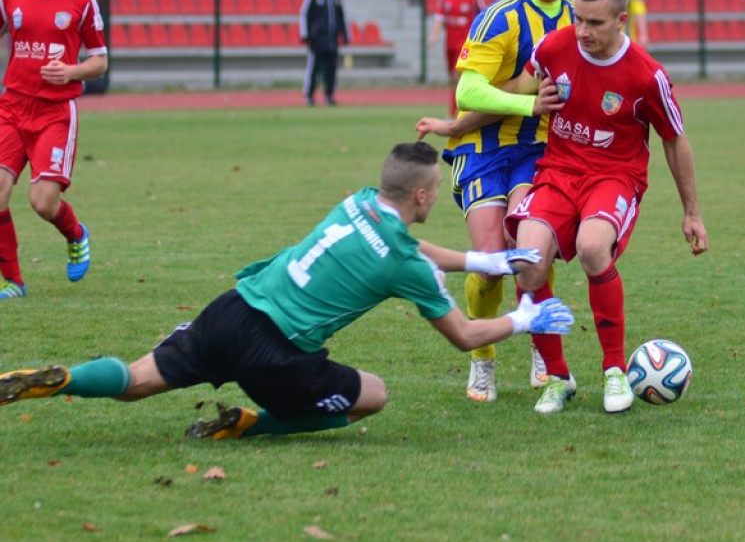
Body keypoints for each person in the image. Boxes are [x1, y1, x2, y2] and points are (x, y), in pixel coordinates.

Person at [0, 142, 575, 439]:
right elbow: (466, 334)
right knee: (371, 395)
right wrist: (528, 317)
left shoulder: (356, 202)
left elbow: (406, 248)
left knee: (132, 382)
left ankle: (61, 379)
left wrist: (484, 258)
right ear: (423, 198)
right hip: (273, 351)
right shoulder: (402, 260)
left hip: (232, 308)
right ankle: (254, 424)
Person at [498, 0, 708, 414]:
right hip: (558, 171)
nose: (582, 31)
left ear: (620, 21)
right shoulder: (554, 47)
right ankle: (557, 378)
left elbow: (674, 139)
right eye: (578, 18)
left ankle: (615, 371)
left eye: (594, 23)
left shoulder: (645, 75)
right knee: (527, 262)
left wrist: (692, 212)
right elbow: (522, 87)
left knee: (594, 248)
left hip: (614, 177)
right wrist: (469, 109)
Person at [415, 0, 575, 403]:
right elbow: (467, 90)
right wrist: (528, 104)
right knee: (488, 263)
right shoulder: (499, 17)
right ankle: (482, 359)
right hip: (484, 149)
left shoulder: (577, 20)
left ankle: (540, 342)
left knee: (529, 247)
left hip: (540, 150)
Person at [0, 0, 108, 300]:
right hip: (12, 106)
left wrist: (72, 71)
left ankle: (75, 234)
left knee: (42, 203)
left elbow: (100, 61)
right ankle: (13, 281)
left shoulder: (83, 4)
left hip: (54, 112)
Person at [428, 0, 486, 117]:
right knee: (453, 79)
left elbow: (485, 18)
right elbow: (439, 19)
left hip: (465, 45)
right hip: (450, 44)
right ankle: (462, 109)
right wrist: (434, 35)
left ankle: (455, 112)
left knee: (457, 76)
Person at [299, 0, 349, 107]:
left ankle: (329, 95)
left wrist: (344, 34)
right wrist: (306, 35)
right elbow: (305, 14)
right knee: (314, 69)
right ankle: (309, 95)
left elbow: (342, 16)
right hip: (317, 40)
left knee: (331, 70)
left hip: (332, 40)